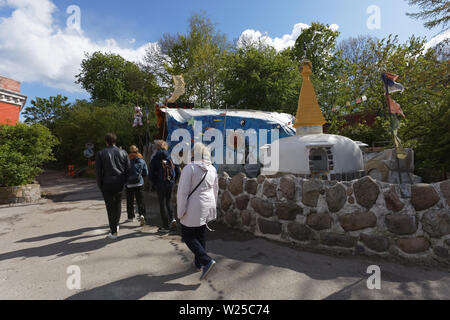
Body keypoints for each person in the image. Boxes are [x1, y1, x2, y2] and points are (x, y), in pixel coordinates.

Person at [177, 143, 218, 281]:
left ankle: (206, 261)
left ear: (195, 154)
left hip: (193, 205)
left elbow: (183, 192)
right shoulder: (212, 168)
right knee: (200, 234)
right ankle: (198, 263)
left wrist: (180, 211)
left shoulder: (190, 168)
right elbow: (215, 190)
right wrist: (213, 206)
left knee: (187, 236)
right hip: (207, 203)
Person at [96, 133, 129, 240]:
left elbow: (98, 172)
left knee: (110, 207)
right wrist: (124, 181)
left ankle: (114, 231)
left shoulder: (101, 153)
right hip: (119, 183)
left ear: (106, 141)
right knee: (118, 203)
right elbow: (128, 169)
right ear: (115, 141)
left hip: (107, 183)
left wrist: (100, 185)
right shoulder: (123, 152)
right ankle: (116, 225)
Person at [149, 140, 180, 233]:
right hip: (170, 183)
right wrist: (173, 181)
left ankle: (165, 226)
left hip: (160, 184)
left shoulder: (155, 158)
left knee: (162, 203)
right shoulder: (171, 157)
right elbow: (178, 171)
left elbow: (150, 174)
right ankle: (173, 219)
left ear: (157, 147)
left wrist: (155, 183)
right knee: (168, 201)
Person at [126, 145, 148, 226]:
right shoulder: (141, 160)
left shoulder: (127, 160)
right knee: (140, 200)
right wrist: (142, 177)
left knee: (130, 200)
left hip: (129, 184)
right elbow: (146, 172)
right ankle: (142, 215)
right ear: (137, 150)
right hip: (139, 183)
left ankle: (131, 217)